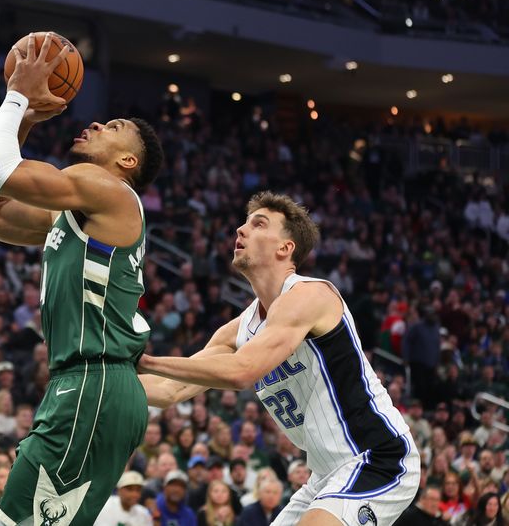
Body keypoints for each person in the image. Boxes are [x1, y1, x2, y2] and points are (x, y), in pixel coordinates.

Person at [0, 33, 163, 525]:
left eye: (112, 127)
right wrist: (25, 121)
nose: (94, 122)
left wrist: (17, 97)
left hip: (95, 381)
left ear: (127, 162)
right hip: (86, 384)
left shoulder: (107, 188)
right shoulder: (73, 213)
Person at [140, 192, 421, 526]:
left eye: (258, 224)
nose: (240, 231)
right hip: (323, 474)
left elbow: (242, 372)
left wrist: (144, 360)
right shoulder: (236, 331)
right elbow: (170, 391)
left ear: (285, 248)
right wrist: (98, 377)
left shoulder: (311, 295)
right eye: (243, 223)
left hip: (378, 456)